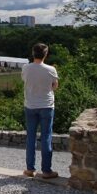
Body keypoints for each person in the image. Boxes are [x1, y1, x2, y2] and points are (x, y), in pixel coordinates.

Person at [21, 43, 59, 179]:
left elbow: (25, 81)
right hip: (47, 106)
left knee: (30, 137)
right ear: (46, 54)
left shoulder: (26, 68)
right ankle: (46, 171)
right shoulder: (51, 69)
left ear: (33, 53)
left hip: (30, 105)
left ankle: (30, 169)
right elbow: (54, 86)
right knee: (46, 137)